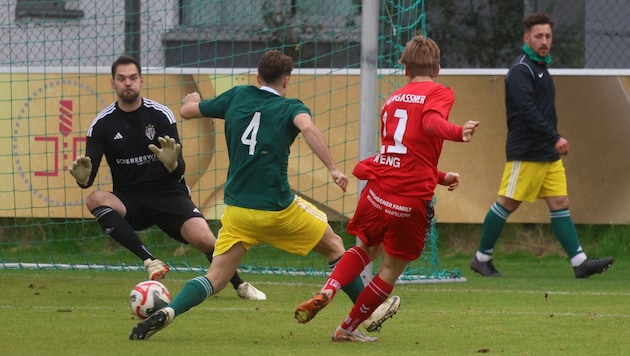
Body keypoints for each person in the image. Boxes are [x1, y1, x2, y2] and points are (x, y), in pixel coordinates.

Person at [128, 50, 400, 341]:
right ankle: (368, 312)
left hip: (237, 212)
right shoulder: (290, 107)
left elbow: (188, 111)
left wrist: (191, 101)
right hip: (278, 210)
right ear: (286, 80)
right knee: (334, 245)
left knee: (216, 279)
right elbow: (307, 127)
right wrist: (333, 168)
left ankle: (169, 310)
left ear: (257, 77)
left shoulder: (238, 96)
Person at [294, 35, 480, 342]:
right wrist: (459, 132)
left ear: (404, 68)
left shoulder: (392, 99)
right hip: (408, 198)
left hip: (378, 189)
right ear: (438, 68)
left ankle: (328, 290)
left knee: (364, 248)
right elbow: (432, 124)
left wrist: (440, 175)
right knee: (391, 268)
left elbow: (405, 153)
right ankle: (346, 328)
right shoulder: (440, 92)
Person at [69, 55, 266, 300]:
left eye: (132, 78)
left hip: (169, 196)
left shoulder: (160, 115)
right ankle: (150, 261)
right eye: (121, 79)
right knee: (95, 198)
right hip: (131, 200)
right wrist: (82, 178)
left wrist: (173, 163)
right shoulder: (101, 124)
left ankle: (240, 285)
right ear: (113, 84)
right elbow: (87, 177)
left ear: (141, 80)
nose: (127, 83)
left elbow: (179, 169)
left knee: (207, 241)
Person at [469, 13, 614, 279]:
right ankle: (481, 258)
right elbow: (526, 111)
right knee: (507, 203)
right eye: (538, 36)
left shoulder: (541, 68)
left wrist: (551, 141)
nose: (544, 41)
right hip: (526, 152)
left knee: (560, 202)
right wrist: (555, 137)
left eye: (547, 36)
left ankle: (580, 262)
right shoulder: (520, 70)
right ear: (527, 38)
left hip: (547, 154)